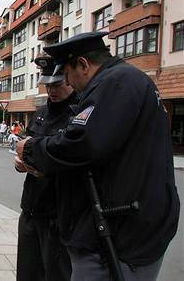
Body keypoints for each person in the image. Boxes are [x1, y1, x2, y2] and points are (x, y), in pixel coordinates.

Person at [16, 31, 180, 281]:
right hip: (131, 225)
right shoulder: (128, 79)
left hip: (121, 234)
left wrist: (29, 150)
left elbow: (83, 142)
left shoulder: (115, 82)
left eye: (67, 74)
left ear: (82, 64)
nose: (69, 82)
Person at [14, 54, 76, 281]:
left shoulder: (79, 113)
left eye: (57, 84)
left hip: (58, 216)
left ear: (69, 79)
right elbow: (23, 148)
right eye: (47, 85)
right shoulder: (40, 114)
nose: (51, 91)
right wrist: (19, 163)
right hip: (31, 209)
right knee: (27, 273)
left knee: (56, 275)